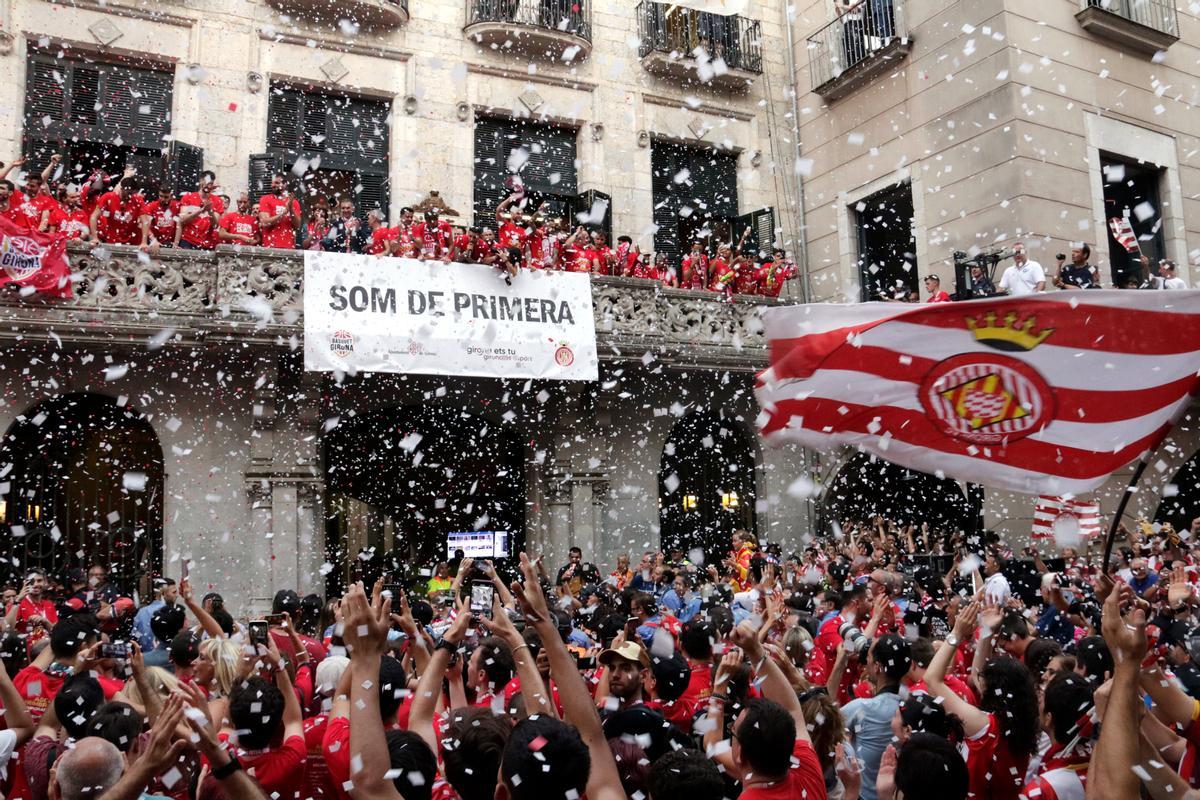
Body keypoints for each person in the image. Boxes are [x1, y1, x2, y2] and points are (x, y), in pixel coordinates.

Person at [839, 635, 911, 800]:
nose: (866, 662)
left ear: (878, 667)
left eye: (869, 657)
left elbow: (822, 718)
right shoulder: (911, 706)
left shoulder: (862, 708)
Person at [90, 174, 144, 245]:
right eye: (129, 193)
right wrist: (95, 238)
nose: (130, 196)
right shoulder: (108, 197)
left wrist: (144, 242)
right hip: (113, 242)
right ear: (122, 189)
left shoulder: (138, 200)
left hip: (133, 243)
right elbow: (94, 217)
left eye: (132, 194)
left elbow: (145, 221)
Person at [177, 171, 224, 250]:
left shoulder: (217, 201)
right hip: (188, 241)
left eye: (210, 183)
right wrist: (200, 211)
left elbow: (215, 225)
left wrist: (210, 211)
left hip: (207, 244)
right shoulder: (188, 197)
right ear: (201, 181)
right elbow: (182, 219)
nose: (208, 186)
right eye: (206, 182)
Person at [132, 577, 178, 652]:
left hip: (144, 657)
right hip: (166, 658)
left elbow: (136, 635)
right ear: (162, 593)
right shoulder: (172, 612)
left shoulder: (141, 612)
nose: (177, 595)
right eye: (174, 592)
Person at [258, 172, 302, 249]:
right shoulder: (265, 199)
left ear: (285, 184)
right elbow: (264, 222)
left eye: (277, 183)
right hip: (270, 247)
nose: (273, 185)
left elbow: (298, 225)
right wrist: (283, 213)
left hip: (288, 247)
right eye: (272, 183)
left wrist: (291, 209)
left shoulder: (294, 202)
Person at [139, 183, 179, 251]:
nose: (163, 199)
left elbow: (181, 223)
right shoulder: (151, 206)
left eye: (166, 197)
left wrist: (176, 243)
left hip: (170, 244)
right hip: (154, 242)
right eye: (161, 196)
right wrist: (153, 239)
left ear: (171, 196)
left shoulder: (177, 206)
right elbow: (145, 225)